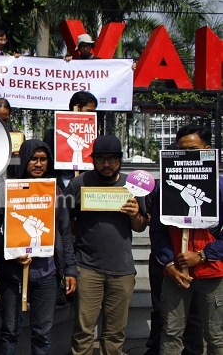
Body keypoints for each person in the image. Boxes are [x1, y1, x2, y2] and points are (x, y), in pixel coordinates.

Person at [0, 139, 78, 355]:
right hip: (13, 276)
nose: (38, 164)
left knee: (42, 333)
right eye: (33, 159)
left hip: (46, 275)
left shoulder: (56, 193)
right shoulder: (5, 190)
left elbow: (65, 233)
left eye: (43, 159)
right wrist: (11, 251)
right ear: (24, 161)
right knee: (10, 331)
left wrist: (70, 269)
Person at [65, 135, 149, 355]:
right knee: (83, 332)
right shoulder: (78, 183)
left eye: (112, 159)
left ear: (120, 160)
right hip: (87, 268)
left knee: (114, 334)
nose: (107, 164)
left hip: (122, 270)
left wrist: (134, 215)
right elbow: (66, 223)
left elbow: (140, 227)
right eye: (101, 159)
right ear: (92, 160)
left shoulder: (132, 186)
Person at [150, 124, 223, 355]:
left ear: (208, 150)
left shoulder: (220, 188)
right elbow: (158, 232)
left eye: (193, 150)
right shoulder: (165, 189)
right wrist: (169, 264)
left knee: (216, 337)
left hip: (213, 272)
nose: (187, 157)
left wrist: (202, 255)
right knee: (171, 333)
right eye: (182, 151)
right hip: (176, 274)